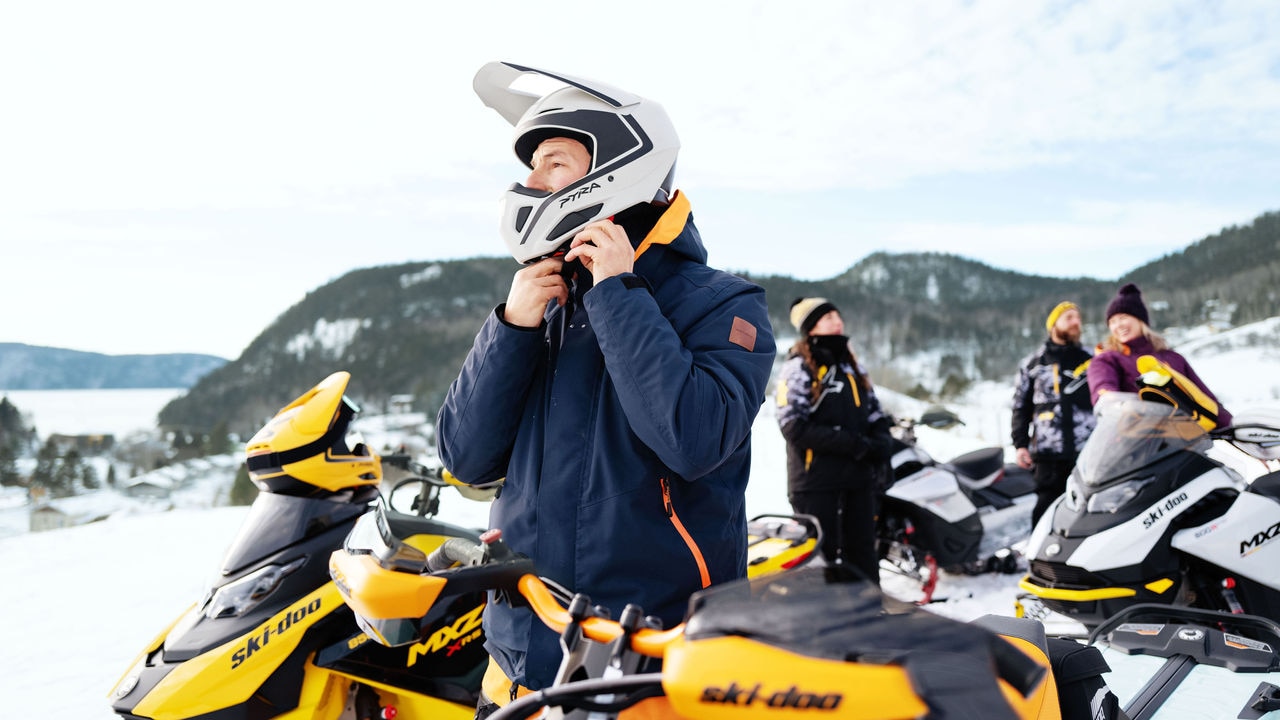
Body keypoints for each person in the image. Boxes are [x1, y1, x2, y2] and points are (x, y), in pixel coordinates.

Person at [436, 62, 776, 713]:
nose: (530, 183)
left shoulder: (723, 304)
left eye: (554, 163)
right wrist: (510, 329)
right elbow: (466, 460)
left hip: (650, 667)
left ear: (617, 168)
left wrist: (619, 295)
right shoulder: (546, 303)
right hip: (521, 658)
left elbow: (694, 439)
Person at [775, 297, 893, 585]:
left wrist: (881, 442)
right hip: (816, 481)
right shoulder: (798, 368)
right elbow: (793, 426)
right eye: (828, 318)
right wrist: (854, 444)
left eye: (837, 316)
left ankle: (870, 616)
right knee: (821, 558)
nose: (837, 322)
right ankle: (826, 623)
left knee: (863, 552)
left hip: (858, 478)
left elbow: (875, 413)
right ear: (811, 327)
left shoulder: (853, 367)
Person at [1088, 282, 1232, 426]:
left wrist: (1231, 425)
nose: (1118, 325)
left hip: (1188, 441)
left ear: (1140, 320)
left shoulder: (1173, 358)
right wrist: (1109, 400)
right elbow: (1104, 391)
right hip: (1137, 441)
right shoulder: (1107, 359)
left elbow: (1205, 397)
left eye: (1123, 317)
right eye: (1112, 321)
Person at [1011, 301, 1096, 527]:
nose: (1076, 322)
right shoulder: (1033, 364)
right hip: (1048, 455)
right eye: (1069, 318)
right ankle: (1042, 560)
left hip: (1089, 451)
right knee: (1046, 513)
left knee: (1091, 511)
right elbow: (1020, 406)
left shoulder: (1093, 359)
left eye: (1078, 318)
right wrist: (1020, 444)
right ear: (1053, 325)